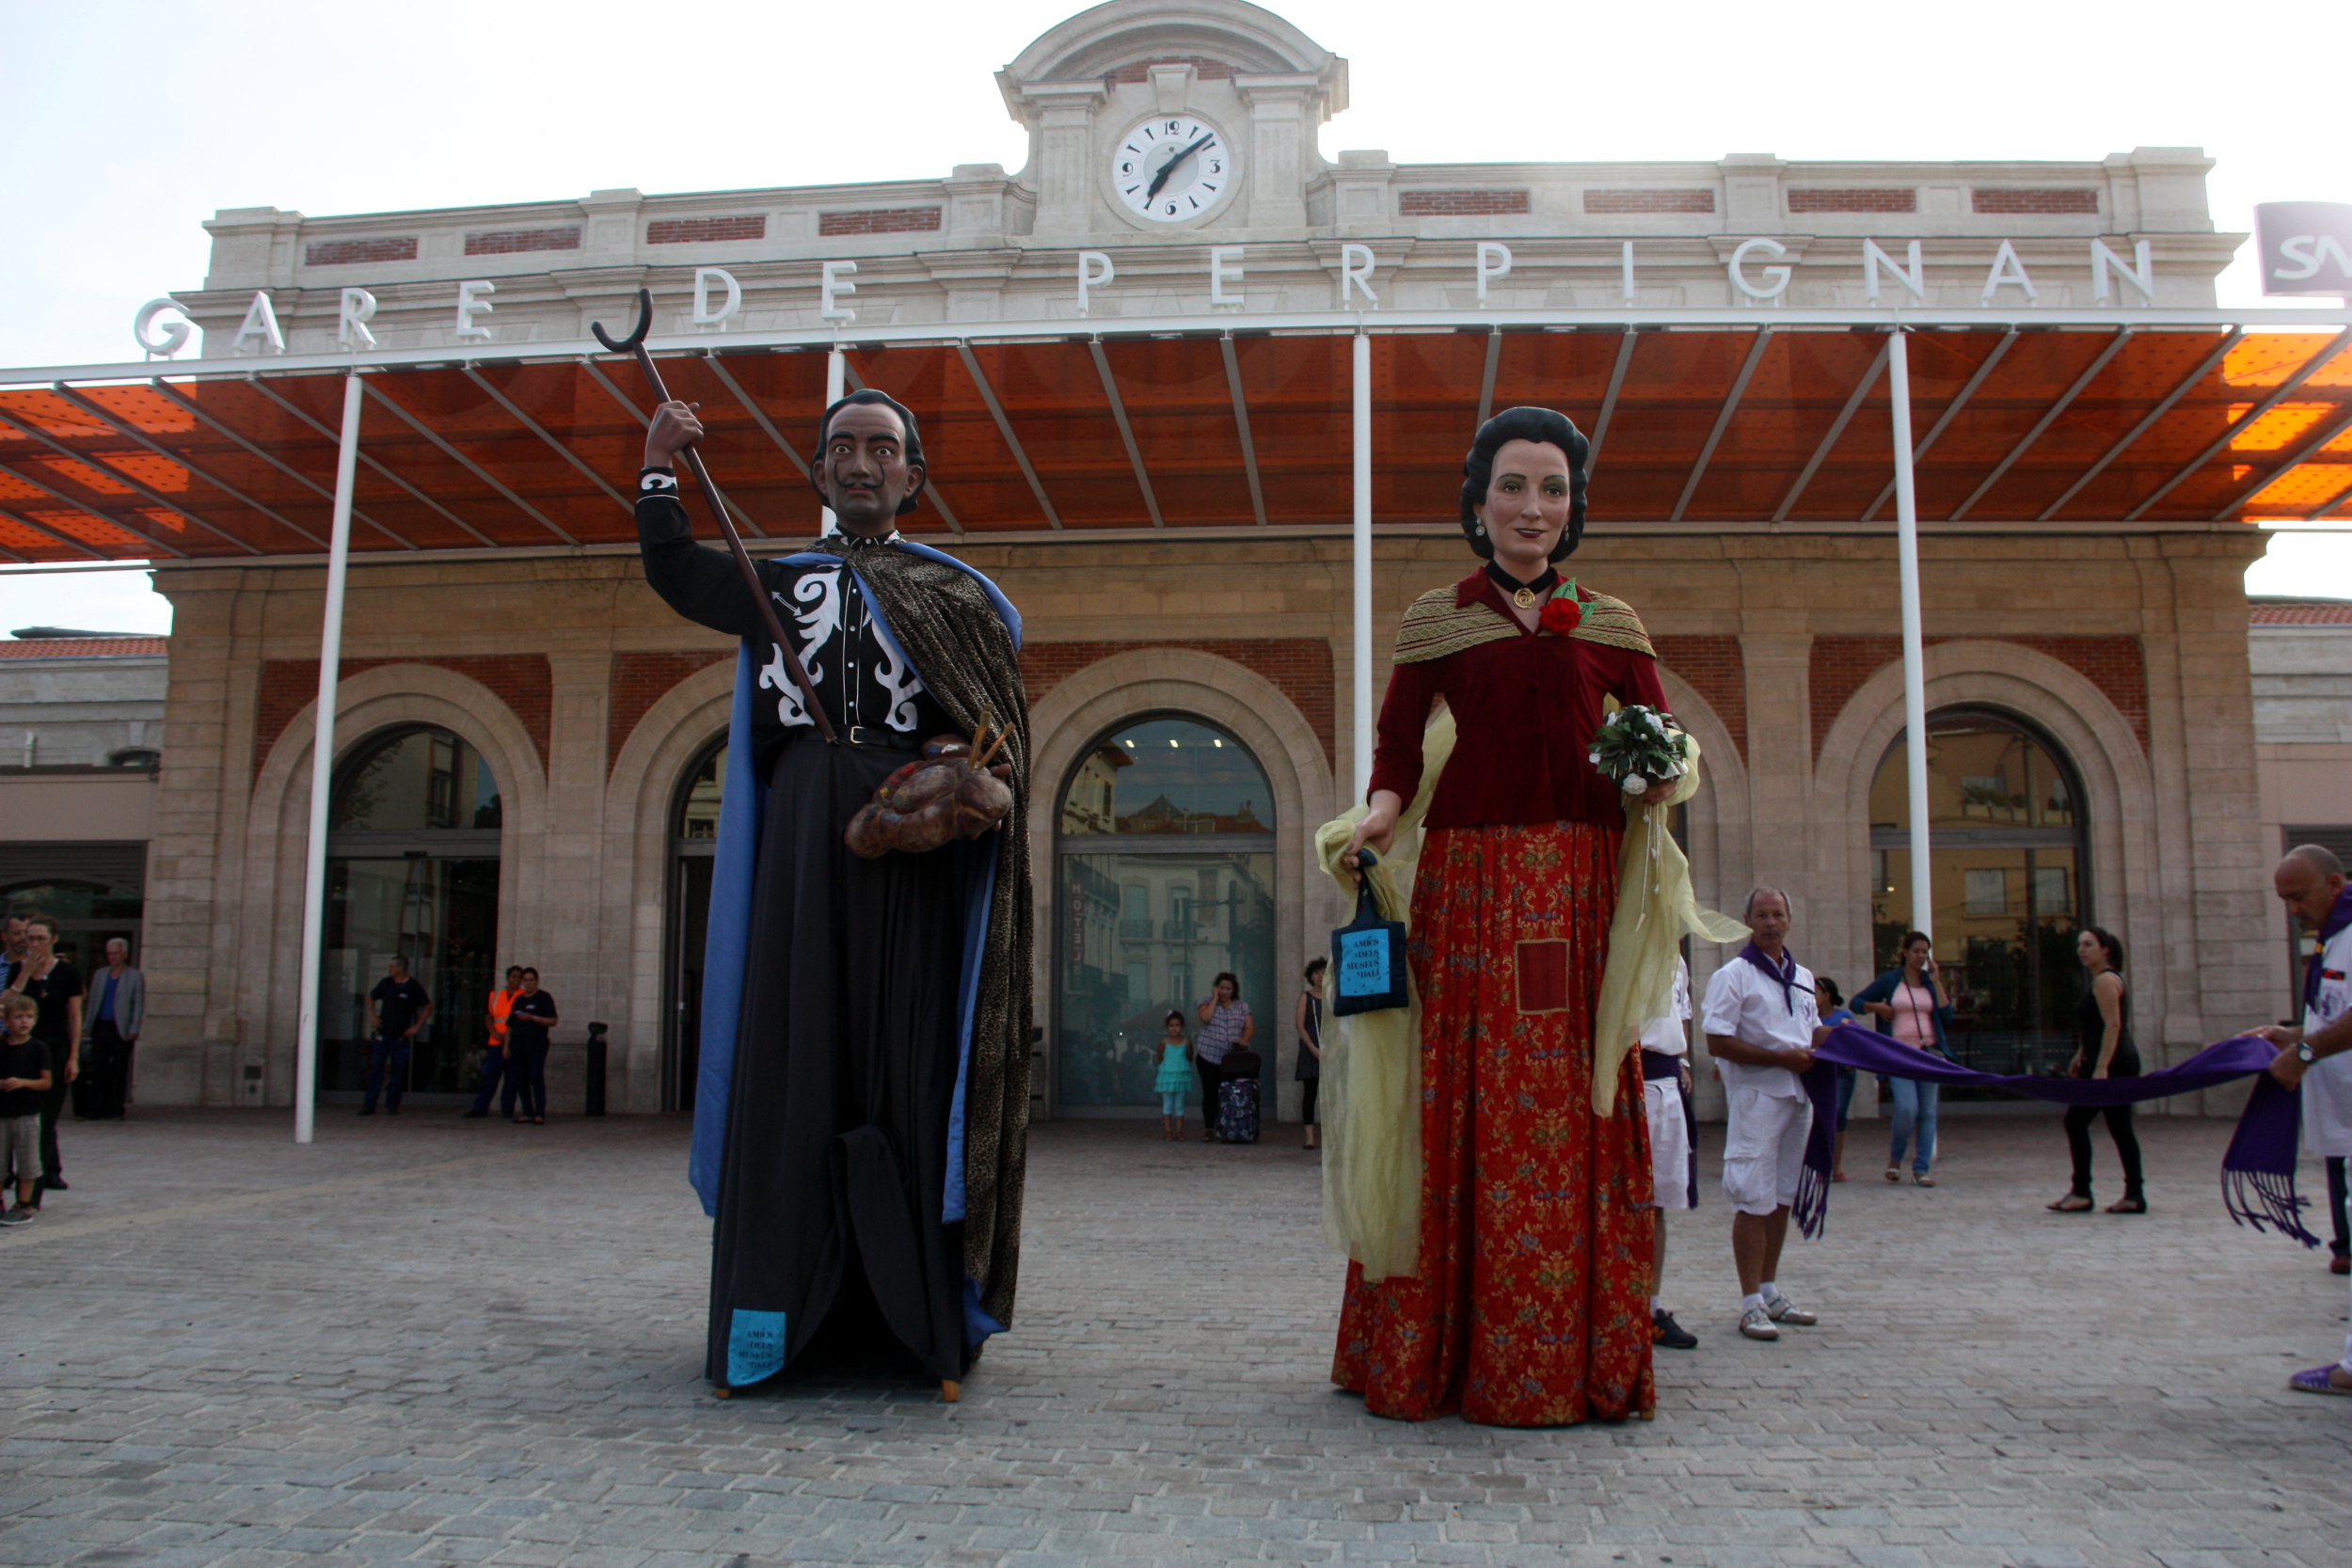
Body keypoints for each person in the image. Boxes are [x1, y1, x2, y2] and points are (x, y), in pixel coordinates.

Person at [638, 387, 1032, 1398]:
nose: (862, 464)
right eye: (842, 449)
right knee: (795, 1046)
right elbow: (678, 571)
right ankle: (780, 1316)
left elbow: (985, 723)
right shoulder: (777, 581)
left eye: (882, 449)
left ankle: (917, 1324)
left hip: (913, 845)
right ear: (818, 473)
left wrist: (958, 773)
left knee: (910, 1056)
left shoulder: (956, 598)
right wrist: (658, 470)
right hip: (806, 836)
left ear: (912, 475)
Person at [1332, 405, 1684, 1426]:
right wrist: (1380, 818)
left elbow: (1658, 739)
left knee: (1572, 1099)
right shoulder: (1435, 619)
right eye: (1514, 487)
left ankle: (1563, 1349)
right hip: (1471, 889)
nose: (1534, 507)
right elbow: (1398, 752)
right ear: (1478, 502)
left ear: (1572, 508)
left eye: (1553, 489)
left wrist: (1658, 781)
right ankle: (1432, 1350)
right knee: (1456, 1102)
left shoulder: (1611, 623)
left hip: (1577, 891)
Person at [1701, 887, 1830, 1342]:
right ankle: (1750, 1302)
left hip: (1798, 1097)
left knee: (1781, 1196)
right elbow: (1716, 1041)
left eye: (1778, 914)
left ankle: (1771, 1290)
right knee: (1751, 1197)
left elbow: (1809, 1031)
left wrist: (1842, 1039)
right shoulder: (1733, 975)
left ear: (1790, 919)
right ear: (1748, 920)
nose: (1770, 922)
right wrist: (1780, 1059)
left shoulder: (1802, 976)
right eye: (1762, 915)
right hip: (1758, 1097)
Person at [2253, 844, 2352, 1393]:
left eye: (2298, 895)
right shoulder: (2335, 935)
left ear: (2334, 883)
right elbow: (2334, 1012)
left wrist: (2305, 1054)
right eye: (2283, 899)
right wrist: (2292, 1035)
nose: (2291, 908)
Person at [2046, 927, 2144, 1214]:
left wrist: (2101, 1067)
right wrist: (2081, 1053)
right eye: (2079, 944)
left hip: (2112, 1062)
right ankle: (2134, 1194)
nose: (2081, 949)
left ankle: (2082, 1192)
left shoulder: (2104, 981)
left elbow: (2114, 1025)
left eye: (2089, 944)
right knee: (2120, 1127)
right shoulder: (2102, 981)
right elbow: (2098, 1026)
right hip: (2112, 1059)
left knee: (2076, 1122)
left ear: (2106, 950)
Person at [1853, 933, 1953, 1187]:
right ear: (1906, 952)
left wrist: (1937, 982)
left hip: (1928, 1053)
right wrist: (1879, 1008)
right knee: (1907, 1108)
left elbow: (1947, 1015)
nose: (1921, 956)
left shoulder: (1929, 982)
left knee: (1928, 1112)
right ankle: (1895, 1159)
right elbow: (1857, 1002)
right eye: (1917, 951)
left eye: (1925, 952)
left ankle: (1921, 1168)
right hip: (1899, 1054)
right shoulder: (1891, 980)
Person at [1642, 956, 1699, 1351]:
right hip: (1635, 1079)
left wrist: (1682, 1060)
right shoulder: (1621, 941)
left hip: (1667, 1083)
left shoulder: (1675, 958)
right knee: (1631, 1202)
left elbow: (1682, 1015)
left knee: (1658, 1203)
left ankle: (1651, 1307)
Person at [13, 916, 81, 1200]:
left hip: (54, 1050)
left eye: (41, 938)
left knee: (44, 1121)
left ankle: (32, 1194)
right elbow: (4, 1004)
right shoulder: (19, 969)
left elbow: (74, 1016)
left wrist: (73, 1057)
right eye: (30, 938)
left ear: (54, 939)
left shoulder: (67, 972)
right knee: (18, 1120)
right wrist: (24, 975)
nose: (35, 944)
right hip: (21, 1051)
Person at [0, 993, 52, 1226]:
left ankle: (23, 1203)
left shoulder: (38, 1048)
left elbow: (46, 1082)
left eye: (29, 1017)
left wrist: (22, 1082)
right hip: (2, 1115)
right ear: (6, 1020)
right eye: (18, 1017)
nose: (24, 1022)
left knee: (28, 1162)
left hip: (27, 1114)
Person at [360, 956, 432, 1117]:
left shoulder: (413, 987)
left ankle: (392, 1105)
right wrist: (372, 1015)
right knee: (377, 1068)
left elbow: (428, 1006)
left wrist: (416, 1026)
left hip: (400, 1037)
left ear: (401, 968)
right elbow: (370, 997)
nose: (390, 969)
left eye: (392, 966)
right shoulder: (386, 983)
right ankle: (369, 1104)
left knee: (397, 1071)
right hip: (383, 1034)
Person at [80, 938, 142, 1121]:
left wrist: (134, 1028)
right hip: (101, 1026)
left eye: (115, 953)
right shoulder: (100, 974)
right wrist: (87, 1026)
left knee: (119, 1070)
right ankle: (96, 1107)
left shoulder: (134, 976)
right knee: (98, 1068)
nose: (112, 957)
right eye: (109, 954)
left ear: (124, 954)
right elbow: (92, 1002)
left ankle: (116, 1108)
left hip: (121, 1028)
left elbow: (137, 1004)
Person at [1195, 973, 1253, 1142]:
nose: (1225, 991)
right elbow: (1204, 1018)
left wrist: (1244, 1039)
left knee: (1230, 1093)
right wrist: (1214, 999)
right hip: (1208, 1057)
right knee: (1210, 1093)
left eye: (1228, 988)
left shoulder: (1242, 1007)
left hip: (1232, 1060)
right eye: (1221, 988)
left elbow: (1249, 1026)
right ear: (1216, 988)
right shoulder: (1206, 1002)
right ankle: (1209, 1128)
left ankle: (1229, 1125)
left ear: (1233, 990)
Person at [465, 966, 524, 1120]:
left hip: (514, 1042)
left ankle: (507, 1109)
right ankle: (480, 1108)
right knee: (490, 1077)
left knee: (512, 1078)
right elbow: (489, 1016)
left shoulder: (523, 996)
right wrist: (494, 1033)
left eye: (519, 977)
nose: (516, 980)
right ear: (507, 978)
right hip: (496, 1041)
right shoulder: (496, 995)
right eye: (513, 977)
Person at [1816, 976, 1857, 1181]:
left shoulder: (1843, 1016)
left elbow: (1855, 1040)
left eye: (1815, 993)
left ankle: (1836, 1164)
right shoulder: (1808, 1018)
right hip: (1818, 1074)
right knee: (1819, 1118)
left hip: (1841, 1074)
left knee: (1838, 1115)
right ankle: (1822, 1164)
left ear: (1827, 996)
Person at [503, 968, 556, 1125]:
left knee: (535, 1075)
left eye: (530, 980)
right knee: (521, 1078)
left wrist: (533, 1018)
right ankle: (527, 1111)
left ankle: (539, 1112)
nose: (527, 983)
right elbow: (510, 1025)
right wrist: (506, 1046)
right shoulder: (519, 999)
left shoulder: (543, 998)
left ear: (536, 981)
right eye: (525, 980)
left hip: (537, 1045)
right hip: (518, 1046)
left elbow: (552, 1021)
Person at [1295, 958, 1326, 1151]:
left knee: (1333, 1094)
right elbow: (1299, 1025)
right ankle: (1309, 1138)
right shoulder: (1306, 996)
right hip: (1310, 1048)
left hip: (1332, 1049)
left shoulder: (1334, 996)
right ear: (1311, 977)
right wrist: (1312, 1048)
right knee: (1310, 1094)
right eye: (1316, 973)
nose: (1320, 976)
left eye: (1323, 972)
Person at [1152, 1010, 1192, 1141]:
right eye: (1171, 1025)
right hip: (1167, 1078)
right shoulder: (1163, 1042)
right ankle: (1168, 1131)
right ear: (1167, 1027)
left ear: (1182, 1027)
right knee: (1167, 1105)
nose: (1174, 1028)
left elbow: (1189, 1057)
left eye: (1177, 1025)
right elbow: (1160, 1057)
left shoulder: (1186, 1042)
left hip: (1180, 1078)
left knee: (1179, 1106)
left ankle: (1179, 1132)